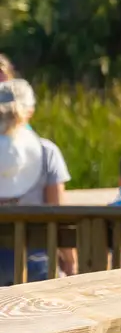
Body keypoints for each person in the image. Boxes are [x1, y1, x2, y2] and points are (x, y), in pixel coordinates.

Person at [0, 79, 74, 281]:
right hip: (37, 263)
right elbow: (57, 213)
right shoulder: (46, 151)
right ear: (30, 111)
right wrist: (70, 260)